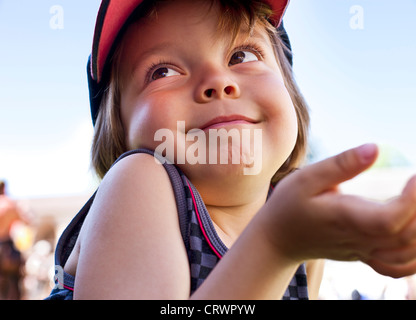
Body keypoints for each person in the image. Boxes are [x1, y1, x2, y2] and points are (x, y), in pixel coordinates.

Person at [46, 0, 416, 300]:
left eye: (241, 55)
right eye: (163, 72)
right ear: (121, 133)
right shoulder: (138, 181)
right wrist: (276, 245)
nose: (218, 82)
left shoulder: (301, 231)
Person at [0, 180, 24, 299]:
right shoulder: (9, 204)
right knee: (13, 280)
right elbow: (25, 221)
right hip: (7, 246)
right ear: (4, 188)